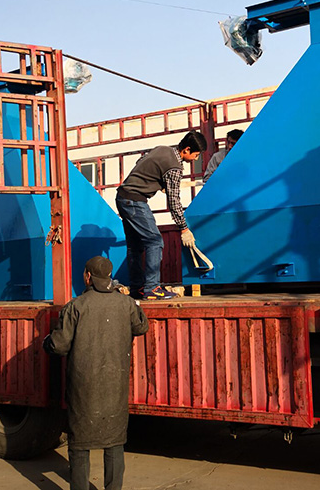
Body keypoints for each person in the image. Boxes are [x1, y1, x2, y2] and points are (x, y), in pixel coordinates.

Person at [43, 256, 149, 490]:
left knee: (80, 444)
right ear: (109, 277)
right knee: (114, 441)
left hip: (83, 387)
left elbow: (59, 345)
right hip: (115, 384)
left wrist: (46, 341)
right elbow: (142, 326)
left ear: (88, 276)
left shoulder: (76, 306)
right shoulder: (125, 303)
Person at [115, 130, 206, 299]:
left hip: (122, 197)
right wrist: (184, 228)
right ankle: (152, 288)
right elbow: (174, 201)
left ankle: (137, 288)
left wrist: (159, 182)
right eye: (196, 155)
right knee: (155, 241)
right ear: (186, 149)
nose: (196, 159)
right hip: (135, 201)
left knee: (135, 246)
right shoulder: (175, 167)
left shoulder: (162, 149)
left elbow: (140, 162)